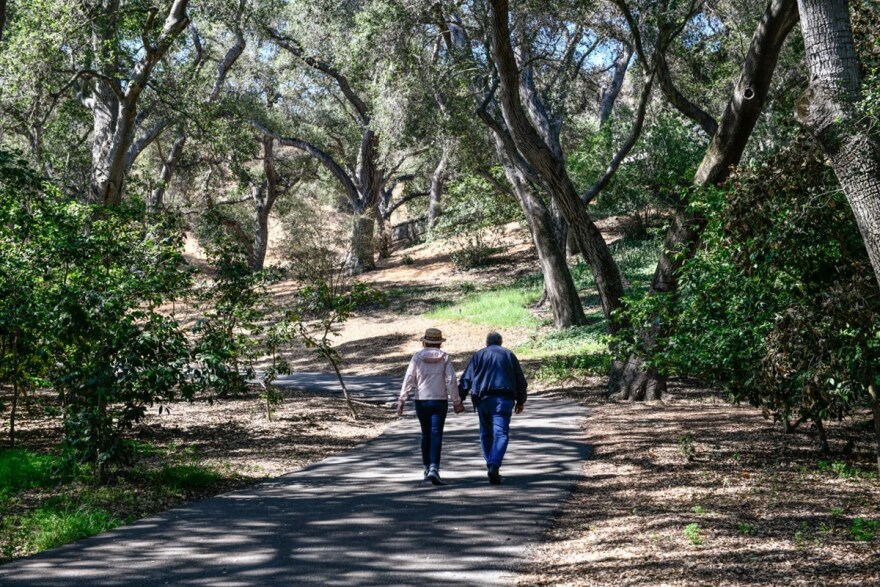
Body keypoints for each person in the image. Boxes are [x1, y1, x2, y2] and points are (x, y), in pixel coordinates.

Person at [458, 331, 527, 484]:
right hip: (503, 399)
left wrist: (459, 398)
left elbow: (467, 379)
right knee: (501, 434)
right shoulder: (509, 355)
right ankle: (493, 464)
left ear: (487, 343)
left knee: (486, 434)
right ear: (501, 342)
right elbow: (520, 380)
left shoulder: (479, 355)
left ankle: (491, 464)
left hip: (482, 400)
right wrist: (521, 401)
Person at [397, 327, 464, 485]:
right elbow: (451, 380)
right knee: (436, 434)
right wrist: (456, 401)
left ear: (425, 342)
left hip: (422, 401)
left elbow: (409, 378)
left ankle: (426, 468)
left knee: (425, 434)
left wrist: (402, 399)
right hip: (439, 401)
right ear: (439, 343)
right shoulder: (445, 358)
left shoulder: (417, 358)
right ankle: (434, 468)